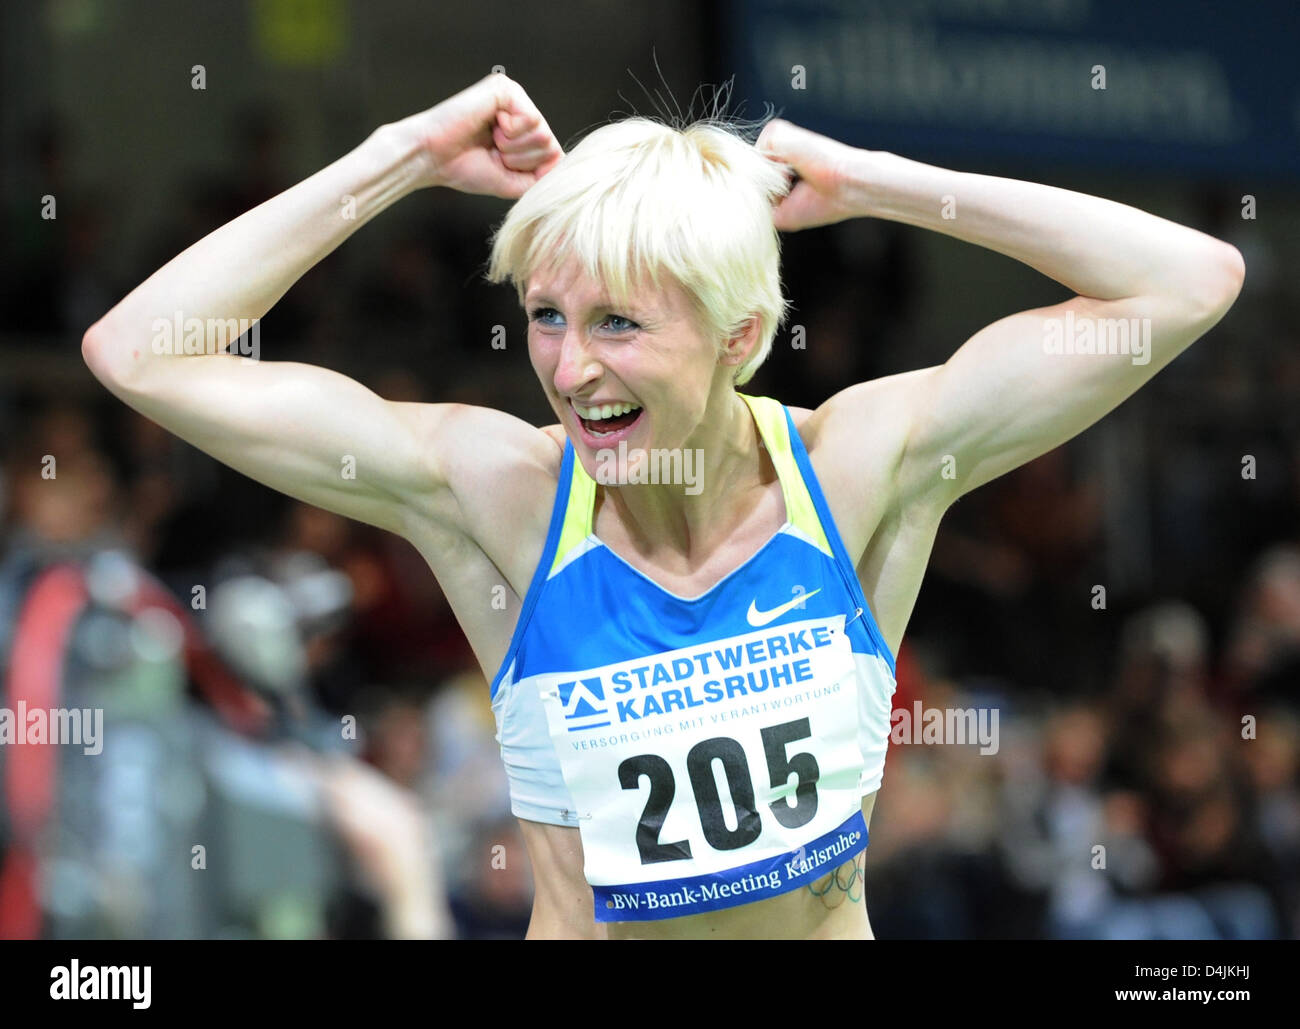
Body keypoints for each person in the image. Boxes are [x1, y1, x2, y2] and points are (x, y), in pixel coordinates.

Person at [81, 72, 1245, 939]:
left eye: (619, 325)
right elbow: (140, 353)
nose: (571, 370)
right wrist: (398, 155)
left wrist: (881, 183)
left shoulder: (857, 469)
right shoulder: (503, 494)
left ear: (739, 335)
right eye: (547, 316)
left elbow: (1190, 280)